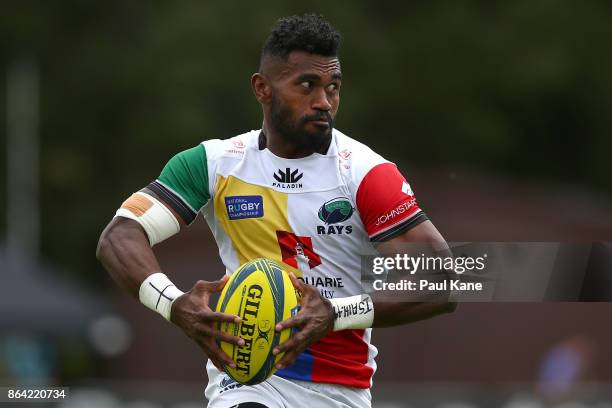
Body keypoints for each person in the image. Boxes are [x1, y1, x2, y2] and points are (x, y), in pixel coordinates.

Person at [97, 14, 456, 408]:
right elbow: (120, 236)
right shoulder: (213, 163)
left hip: (338, 389)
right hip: (248, 378)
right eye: (307, 85)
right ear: (262, 88)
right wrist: (172, 303)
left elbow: (443, 281)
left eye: (333, 87)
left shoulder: (365, 173)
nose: (324, 101)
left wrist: (335, 313)